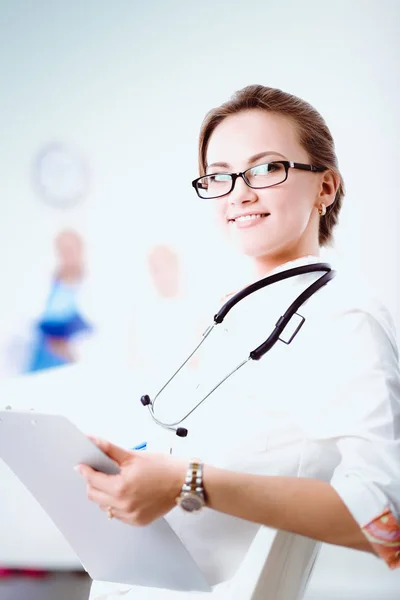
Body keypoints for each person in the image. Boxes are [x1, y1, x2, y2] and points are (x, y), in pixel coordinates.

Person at [78, 85, 400, 599]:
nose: (239, 192)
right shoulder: (227, 313)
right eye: (220, 175)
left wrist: (187, 482)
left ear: (326, 187)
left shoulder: (346, 317)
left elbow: (384, 519)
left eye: (267, 168)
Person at [24, 229, 93, 373]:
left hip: (72, 361)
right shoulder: (47, 284)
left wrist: (70, 350)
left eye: (71, 249)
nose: (67, 255)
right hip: (41, 358)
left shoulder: (91, 286)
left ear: (81, 250)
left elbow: (97, 334)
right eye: (63, 250)